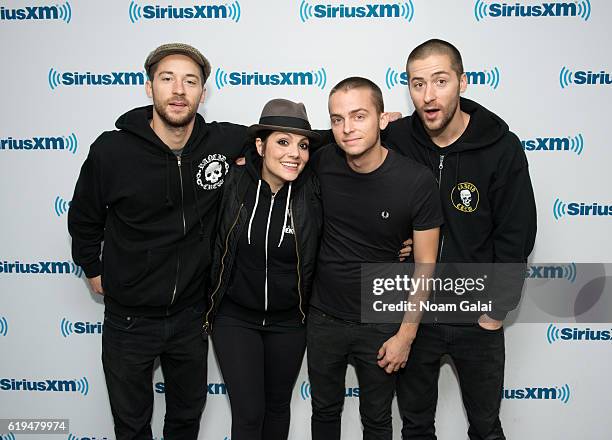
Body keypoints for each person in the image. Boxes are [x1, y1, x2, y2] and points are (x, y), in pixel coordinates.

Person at [68, 43, 248, 440]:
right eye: (167, 79)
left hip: (190, 316)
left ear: (204, 91)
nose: (179, 90)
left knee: (185, 422)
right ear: (149, 88)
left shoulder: (223, 142)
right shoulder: (112, 150)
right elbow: (83, 217)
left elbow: (288, 140)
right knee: (131, 427)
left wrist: (383, 127)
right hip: (129, 320)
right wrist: (93, 268)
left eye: (190, 81)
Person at [384, 39, 537, 440]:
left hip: (477, 313)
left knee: (486, 429)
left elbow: (516, 233)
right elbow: (341, 147)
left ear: (462, 82)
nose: (428, 96)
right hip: (414, 315)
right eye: (417, 84)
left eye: (440, 81)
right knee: (416, 428)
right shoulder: (397, 139)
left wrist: (496, 310)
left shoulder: (502, 148)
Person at [307, 77, 443, 440]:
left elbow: (426, 264)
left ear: (383, 120)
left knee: (378, 420)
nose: (347, 128)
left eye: (359, 116)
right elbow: (282, 147)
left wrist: (406, 335)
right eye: (338, 119)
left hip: (381, 319)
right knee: (323, 412)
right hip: (323, 317)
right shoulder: (321, 163)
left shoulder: (416, 182)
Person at [204, 99, 322, 440]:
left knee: (277, 408)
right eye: (282, 142)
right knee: (248, 414)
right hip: (235, 318)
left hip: (289, 321)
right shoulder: (233, 182)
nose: (294, 153)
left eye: (302, 145)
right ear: (259, 145)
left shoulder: (312, 190)